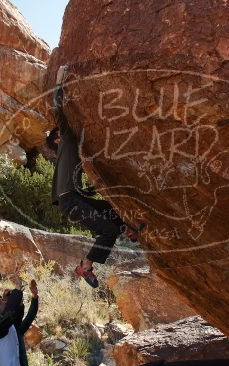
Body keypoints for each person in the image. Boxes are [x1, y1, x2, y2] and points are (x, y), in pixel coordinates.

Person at [48, 65, 139, 288]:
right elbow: (58, 111)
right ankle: (85, 266)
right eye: (58, 133)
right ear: (57, 139)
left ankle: (127, 230)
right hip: (70, 202)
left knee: (110, 210)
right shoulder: (66, 140)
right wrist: (59, 83)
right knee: (106, 231)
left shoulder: (69, 154)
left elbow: (78, 183)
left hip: (75, 199)